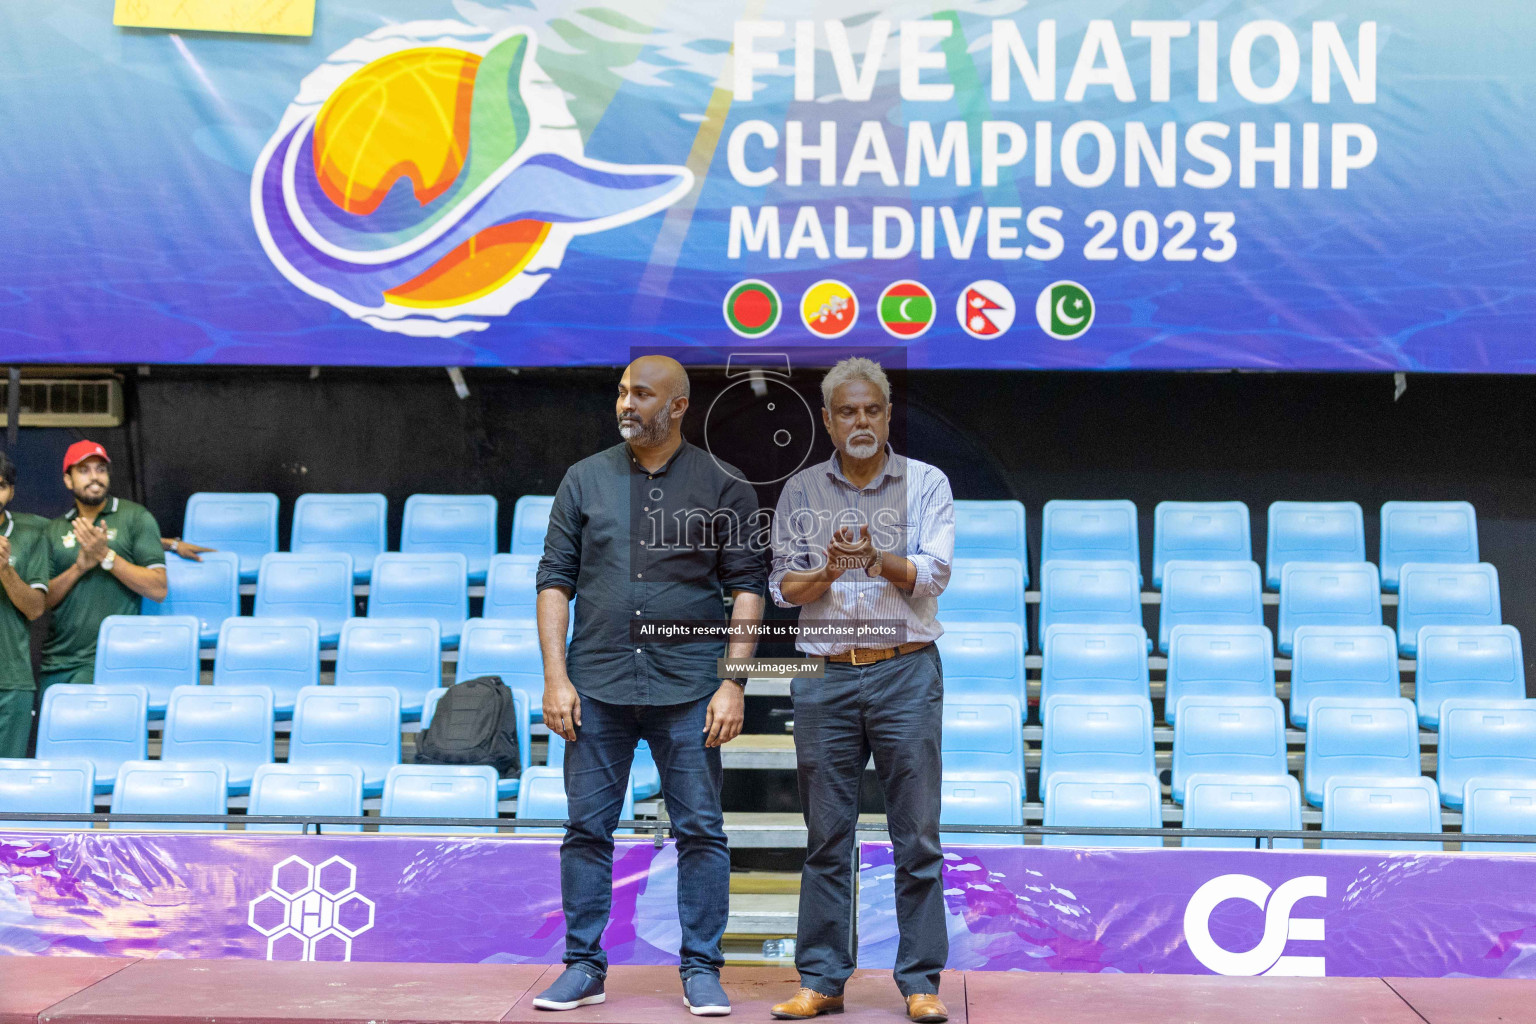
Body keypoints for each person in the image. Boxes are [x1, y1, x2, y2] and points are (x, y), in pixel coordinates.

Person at [532, 355, 767, 1016]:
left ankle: (700, 970)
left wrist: (734, 684)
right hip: (597, 684)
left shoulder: (724, 484)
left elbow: (748, 590)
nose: (625, 404)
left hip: (691, 687)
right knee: (586, 829)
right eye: (621, 392)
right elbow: (555, 581)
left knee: (701, 831)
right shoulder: (584, 479)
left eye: (641, 394)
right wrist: (556, 677)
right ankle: (583, 967)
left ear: (679, 405)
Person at [768, 358, 955, 1024]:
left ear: (886, 414)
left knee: (917, 836)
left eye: (872, 410)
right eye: (847, 412)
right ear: (827, 420)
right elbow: (782, 589)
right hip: (825, 678)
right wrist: (828, 567)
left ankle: (921, 983)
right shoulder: (800, 491)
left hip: (906, 669)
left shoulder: (928, 483)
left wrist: (876, 559)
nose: (861, 422)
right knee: (826, 838)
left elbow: (934, 575)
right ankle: (822, 980)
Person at [38, 441, 168, 690]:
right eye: (84, 470)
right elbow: (40, 602)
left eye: (100, 469)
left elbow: (158, 588)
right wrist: (79, 568)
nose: (94, 477)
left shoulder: (135, 517)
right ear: (68, 480)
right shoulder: (53, 529)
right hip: (57, 660)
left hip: (110, 658)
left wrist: (106, 556)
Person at [0, 452, 48, 757]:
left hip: (10, 679)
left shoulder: (31, 532)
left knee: (6, 786)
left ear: (11, 491)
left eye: (0, 485)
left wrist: (5, 569)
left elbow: (35, 608)